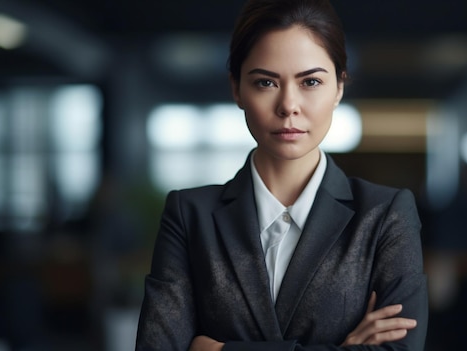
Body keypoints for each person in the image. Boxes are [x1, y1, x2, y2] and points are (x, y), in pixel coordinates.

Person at [135, 0, 428, 350]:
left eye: (311, 82)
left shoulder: (385, 215)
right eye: (265, 83)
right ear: (236, 89)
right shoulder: (189, 215)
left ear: (339, 88)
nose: (288, 105)